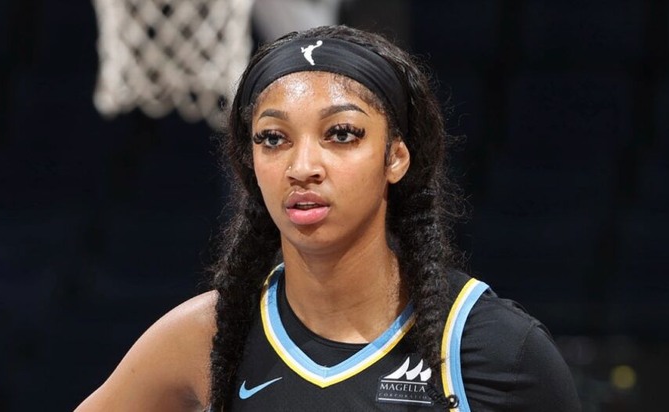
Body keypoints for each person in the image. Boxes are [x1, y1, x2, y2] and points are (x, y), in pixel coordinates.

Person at [76, 25, 581, 412]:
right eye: (273, 139)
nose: (302, 167)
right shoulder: (208, 331)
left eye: (341, 134)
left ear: (396, 157)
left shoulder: (498, 351)